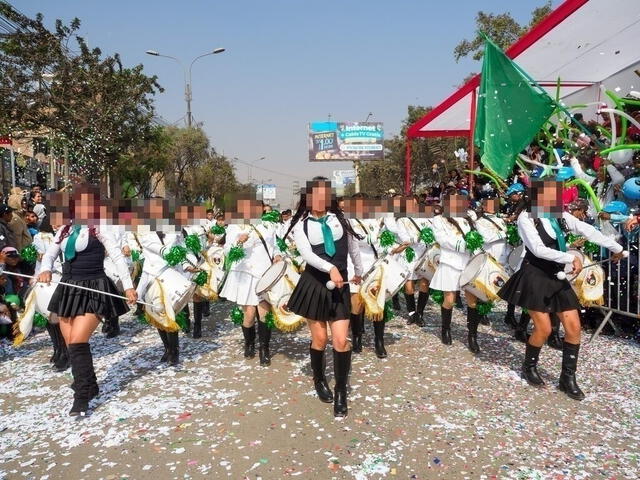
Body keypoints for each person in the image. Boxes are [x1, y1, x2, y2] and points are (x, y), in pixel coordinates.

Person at [498, 178, 623, 400]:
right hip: (535, 274)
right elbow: (537, 249)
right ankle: (529, 366)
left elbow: (587, 230)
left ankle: (568, 378)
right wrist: (569, 258)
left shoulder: (559, 216)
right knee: (543, 329)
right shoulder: (526, 218)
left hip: (557, 275)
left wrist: (616, 247)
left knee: (574, 327)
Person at [37, 184, 137, 416]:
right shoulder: (65, 228)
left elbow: (116, 257)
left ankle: (81, 395)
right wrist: (46, 269)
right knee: (70, 342)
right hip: (68, 289)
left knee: (77, 341)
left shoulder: (99, 228)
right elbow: (51, 254)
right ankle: (90, 384)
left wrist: (129, 286)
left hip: (93, 287)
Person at [286, 177, 363, 417]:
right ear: (307, 199)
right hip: (315, 285)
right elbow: (307, 255)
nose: (319, 199)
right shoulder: (300, 225)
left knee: (340, 341)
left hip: (340, 286)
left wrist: (359, 271)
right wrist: (329, 268)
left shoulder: (341, 219)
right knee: (320, 339)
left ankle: (341, 392)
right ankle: (319, 380)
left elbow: (353, 248)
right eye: (314, 195)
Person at [220, 195, 282, 366]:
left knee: (264, 312)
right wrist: (238, 242)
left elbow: (275, 245)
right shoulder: (235, 226)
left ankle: (264, 348)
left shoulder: (269, 225)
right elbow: (227, 251)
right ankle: (249, 343)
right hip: (245, 275)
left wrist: (277, 254)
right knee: (249, 314)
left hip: (265, 273)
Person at [430, 192, 481, 353]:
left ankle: (472, 336)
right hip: (450, 262)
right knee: (450, 299)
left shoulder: (468, 219)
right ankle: (446, 329)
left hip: (469, 263)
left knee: (472, 301)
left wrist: (477, 250)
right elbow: (442, 239)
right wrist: (462, 245)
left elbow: (477, 238)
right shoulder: (438, 220)